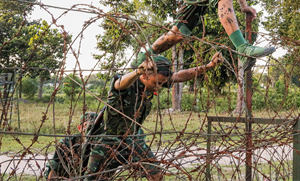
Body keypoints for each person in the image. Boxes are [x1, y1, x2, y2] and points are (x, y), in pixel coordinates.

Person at [84, 52, 224, 180]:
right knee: (95, 177)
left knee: (156, 174)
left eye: (162, 83)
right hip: (109, 138)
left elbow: (182, 75)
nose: (159, 87)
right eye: (156, 83)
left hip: (133, 138)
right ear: (144, 76)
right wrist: (137, 72)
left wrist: (209, 66)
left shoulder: (157, 80)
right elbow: (118, 84)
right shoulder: (128, 83)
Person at [45, 111, 100, 179]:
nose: (92, 130)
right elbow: (54, 167)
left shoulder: (102, 143)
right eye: (88, 126)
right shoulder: (68, 142)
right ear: (80, 128)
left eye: (96, 127)